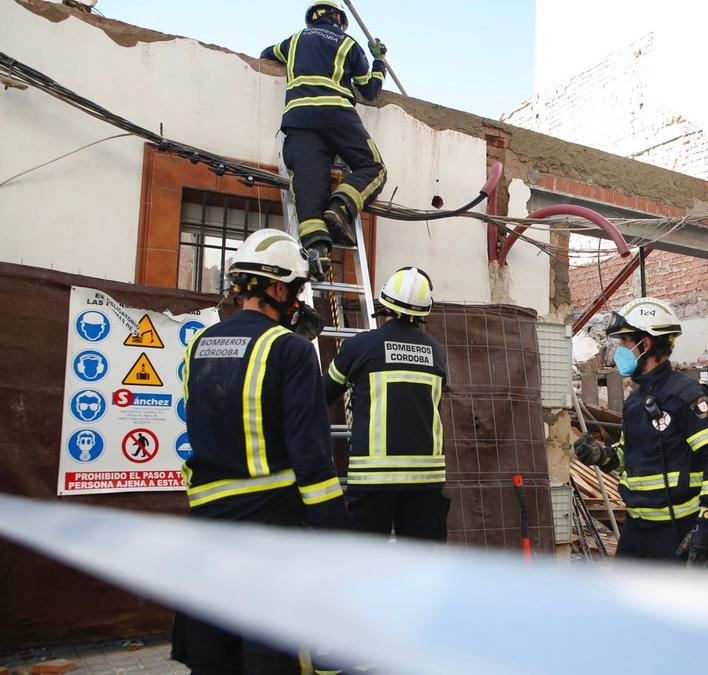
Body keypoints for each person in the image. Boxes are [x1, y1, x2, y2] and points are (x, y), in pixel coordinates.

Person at [171, 228, 348, 674]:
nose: (298, 301)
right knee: (271, 655)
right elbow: (311, 457)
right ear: (274, 287)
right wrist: (334, 532)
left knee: (214, 654)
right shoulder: (289, 350)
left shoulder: (199, 345)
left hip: (209, 530)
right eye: (295, 290)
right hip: (270, 529)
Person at [573, 297, 708, 566]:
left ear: (645, 344)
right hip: (636, 530)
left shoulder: (687, 395)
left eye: (624, 342)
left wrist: (707, 523)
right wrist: (600, 455)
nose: (619, 351)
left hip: (678, 530)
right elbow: (628, 455)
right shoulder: (635, 401)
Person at [262, 1, 388, 280]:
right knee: (374, 168)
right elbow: (370, 90)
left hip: (299, 120)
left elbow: (266, 54)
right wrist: (379, 61)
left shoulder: (293, 41)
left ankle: (317, 251)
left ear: (311, 20)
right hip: (337, 116)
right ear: (339, 19)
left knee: (308, 185)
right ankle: (341, 208)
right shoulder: (348, 44)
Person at [323, 267, 451, 541]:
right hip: (426, 482)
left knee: (366, 565)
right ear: (424, 311)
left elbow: (323, 394)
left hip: (373, 480)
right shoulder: (436, 353)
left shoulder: (360, 346)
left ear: (384, 303)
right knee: (420, 568)